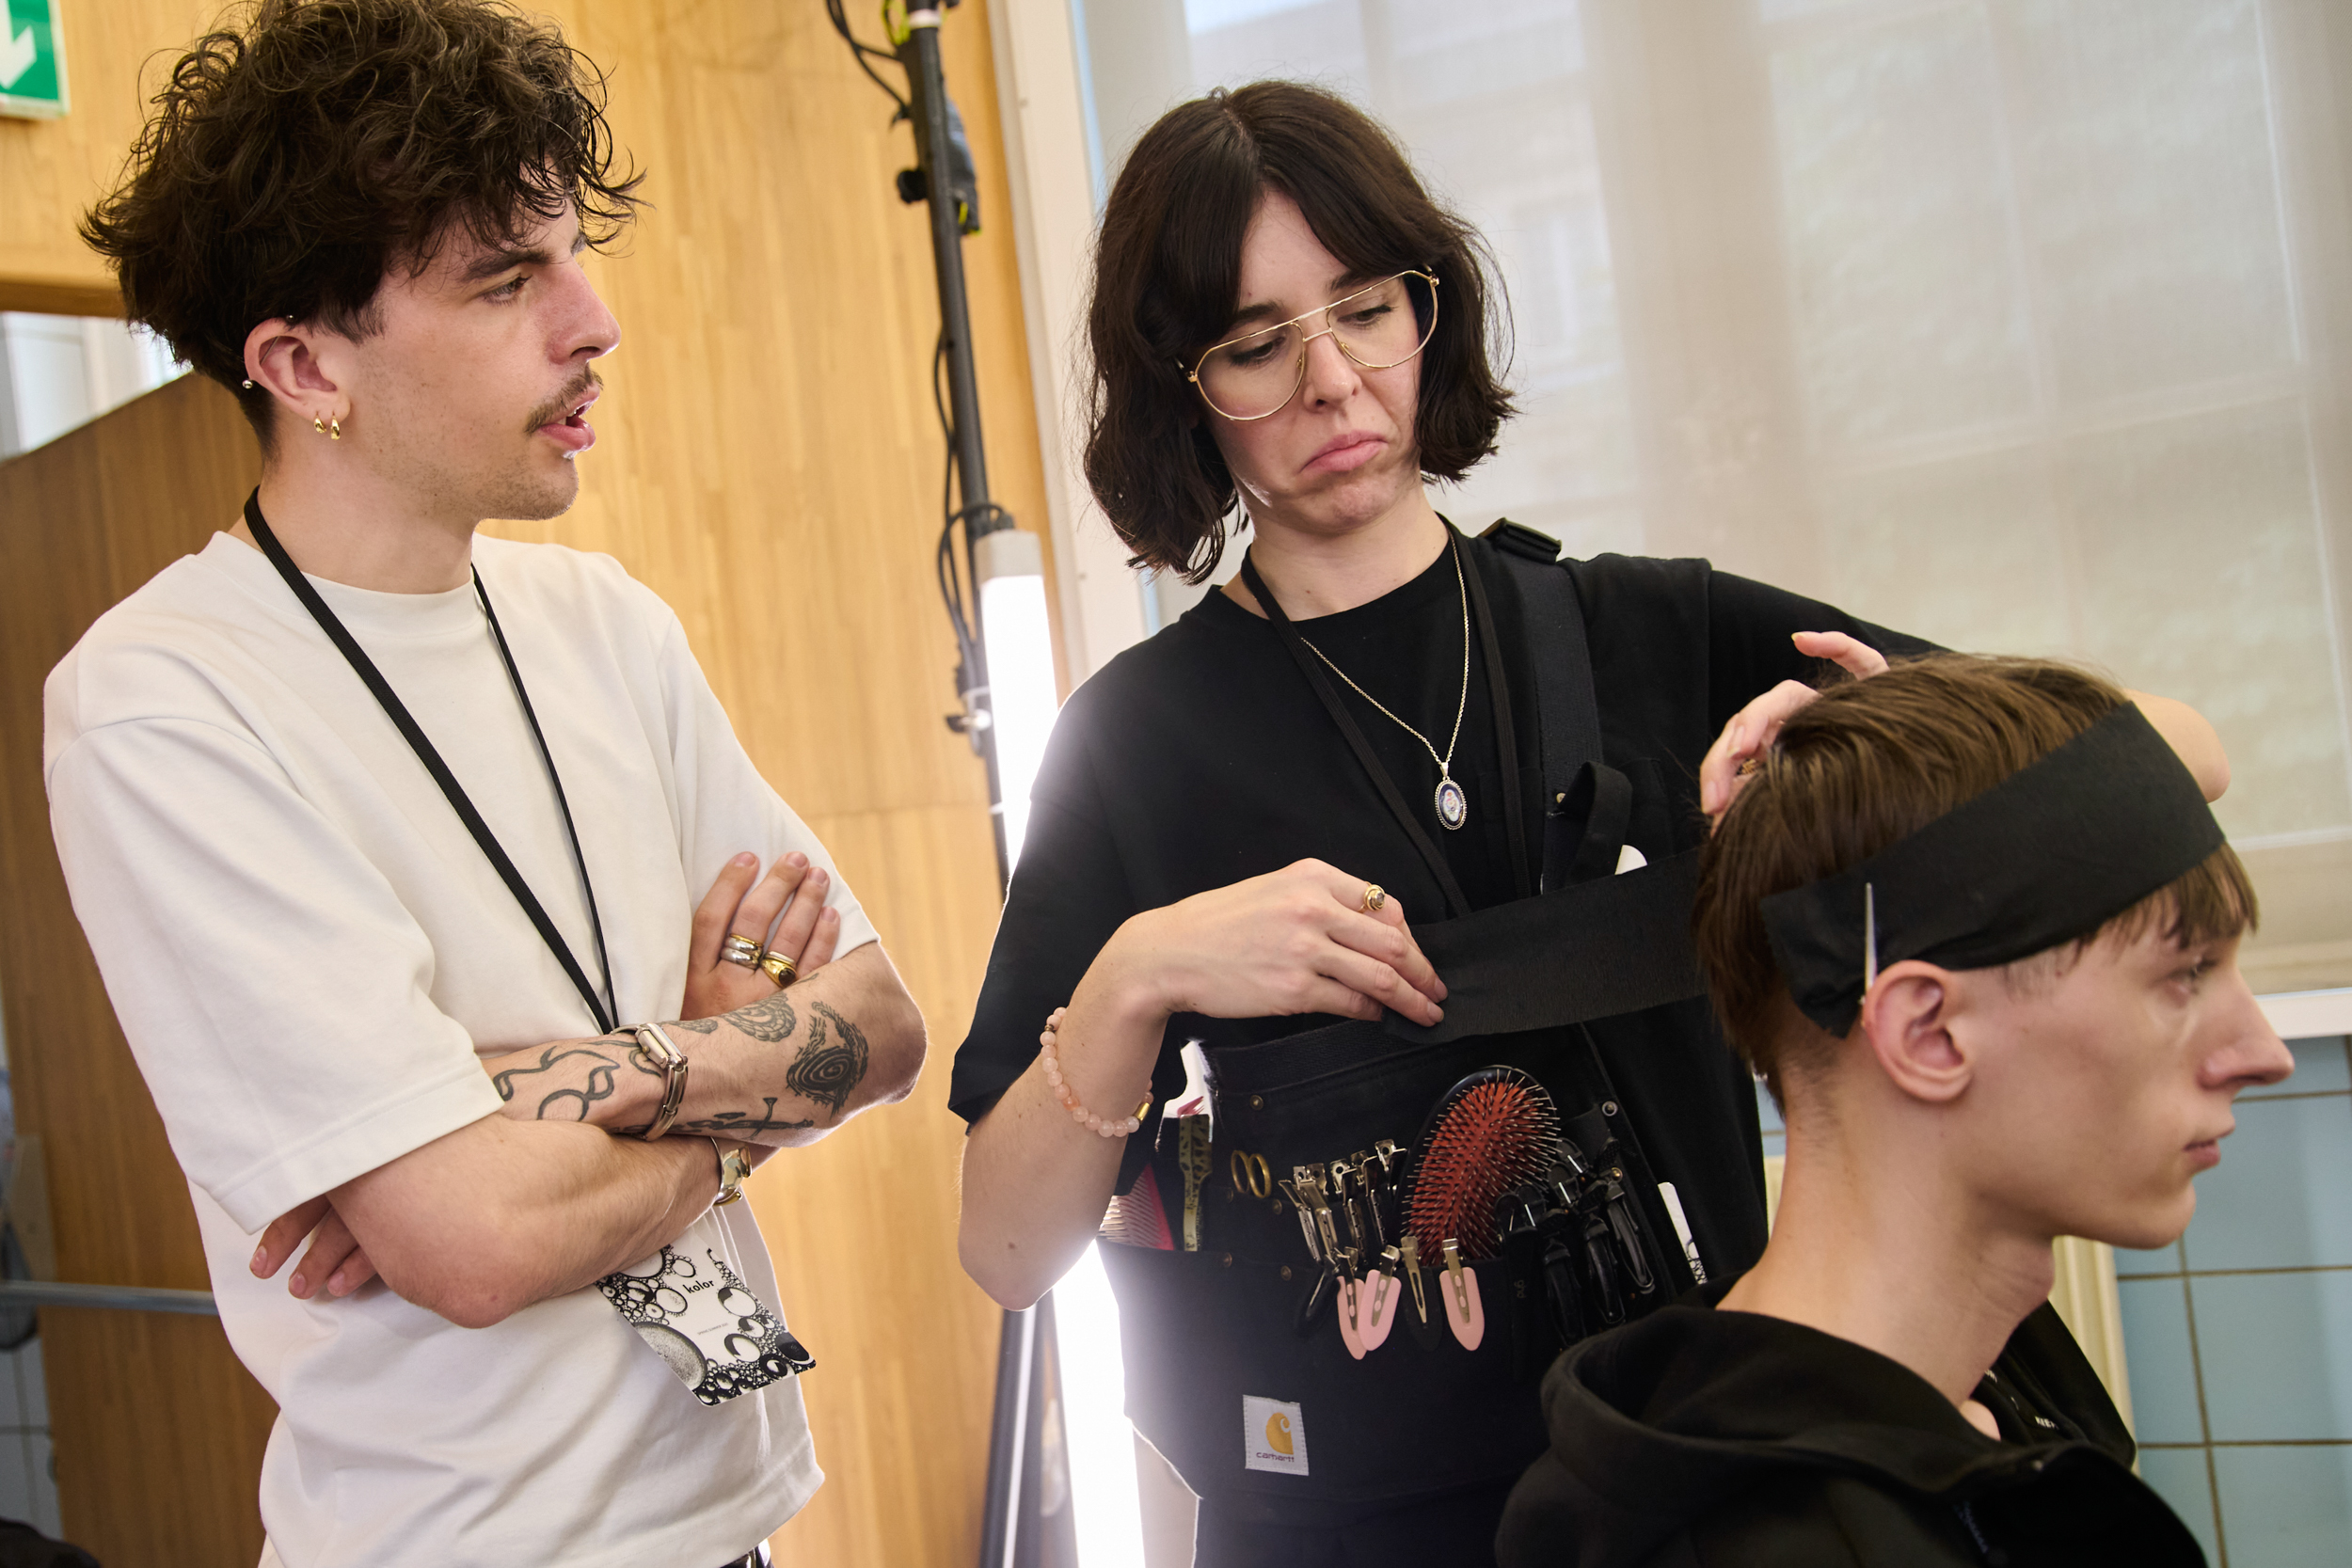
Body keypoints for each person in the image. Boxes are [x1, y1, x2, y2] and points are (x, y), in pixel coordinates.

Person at [947, 81, 2230, 1565]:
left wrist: (1889, 741)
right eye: (1253, 345)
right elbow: (1005, 1245)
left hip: (1697, 1501)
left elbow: (2174, 757)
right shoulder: (1136, 745)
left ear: (1429, 311)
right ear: (1183, 386)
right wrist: (1138, 973)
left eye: (1366, 309)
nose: (1330, 381)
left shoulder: (1644, 631)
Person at [49, 3, 926, 1564]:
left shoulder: (606, 625)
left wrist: (515, 1091)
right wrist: (733, 1064)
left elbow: (880, 1025)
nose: (591, 321)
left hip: (737, 1520)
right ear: (304, 363)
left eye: (571, 256)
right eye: (506, 280)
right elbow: (469, 1237)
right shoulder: (161, 698)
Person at [1495, 656, 2291, 1566]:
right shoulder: (1777, 1542)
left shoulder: (1987, 1393)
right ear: (1930, 1034)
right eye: (2184, 974)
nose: (2261, 1053)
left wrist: (1910, 743)